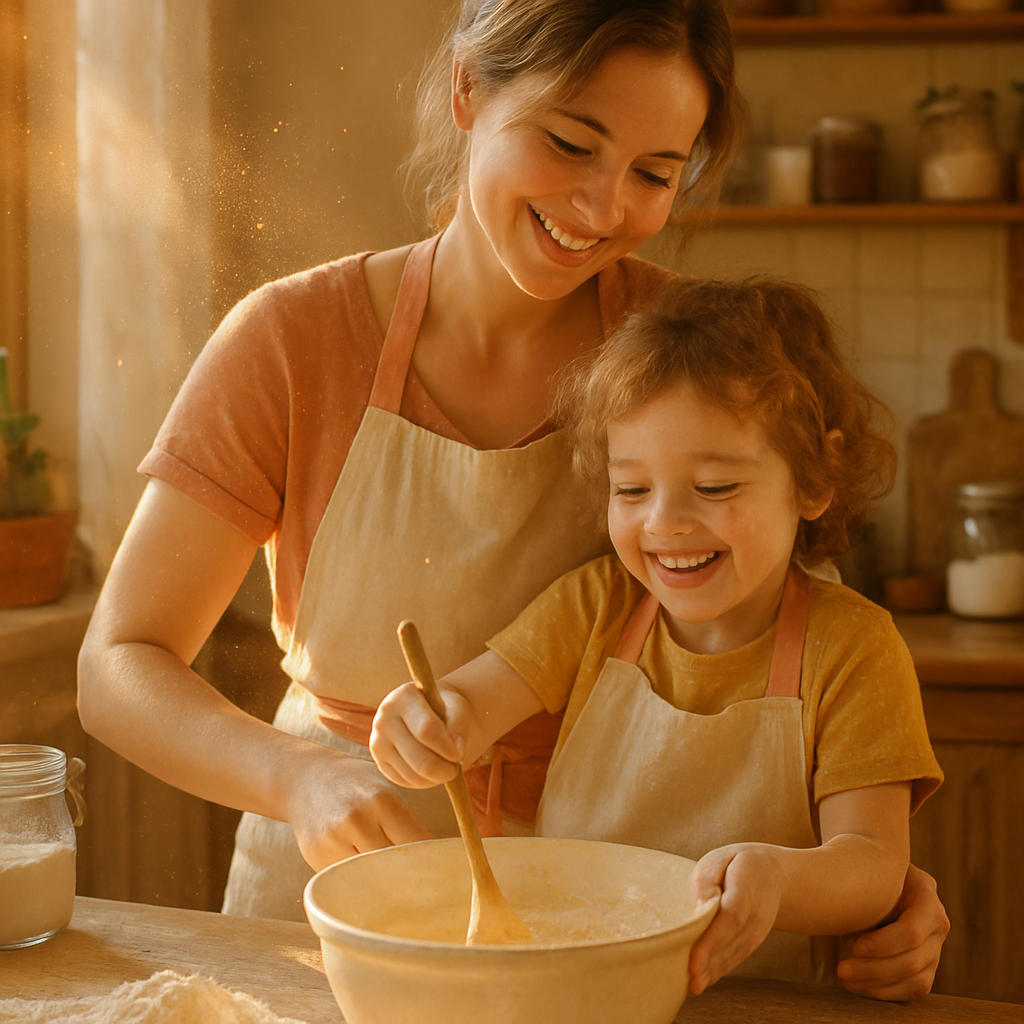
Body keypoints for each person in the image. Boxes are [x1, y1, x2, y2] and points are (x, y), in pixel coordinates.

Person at [76, 0, 949, 998]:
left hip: (629, 915)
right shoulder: (290, 340)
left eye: (655, 174)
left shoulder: (685, 355)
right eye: (570, 143)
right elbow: (118, 664)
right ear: (466, 90)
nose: (601, 206)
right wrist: (301, 777)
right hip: (339, 892)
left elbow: (790, 650)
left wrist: (873, 878)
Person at [369, 276, 944, 992]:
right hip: (579, 993)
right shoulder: (593, 608)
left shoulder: (855, 649)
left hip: (763, 1006)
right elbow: (465, 709)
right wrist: (427, 724)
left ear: (813, 479)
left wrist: (776, 877)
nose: (665, 523)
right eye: (632, 489)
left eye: (714, 488)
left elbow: (873, 864)